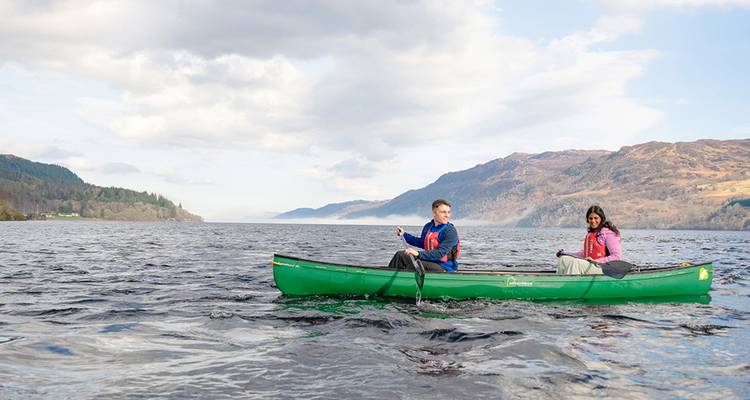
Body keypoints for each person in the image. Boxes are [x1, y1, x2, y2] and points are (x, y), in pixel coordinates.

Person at [389, 199, 460, 272]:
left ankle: (403, 280)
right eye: (443, 212)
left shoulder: (450, 231)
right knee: (400, 255)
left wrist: (418, 253)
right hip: (429, 260)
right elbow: (422, 243)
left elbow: (440, 253)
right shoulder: (428, 227)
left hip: (444, 266)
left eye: (449, 212)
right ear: (434, 213)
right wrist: (403, 235)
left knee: (414, 265)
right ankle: (389, 276)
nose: (447, 215)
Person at [556, 205, 621, 275]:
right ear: (587, 220)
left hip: (604, 268)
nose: (593, 221)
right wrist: (565, 253)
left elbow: (616, 256)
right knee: (563, 259)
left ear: (601, 219)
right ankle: (559, 282)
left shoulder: (609, 233)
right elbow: (583, 254)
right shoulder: (591, 234)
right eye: (590, 218)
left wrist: (596, 261)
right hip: (592, 265)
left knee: (576, 263)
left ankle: (572, 285)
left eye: (596, 218)